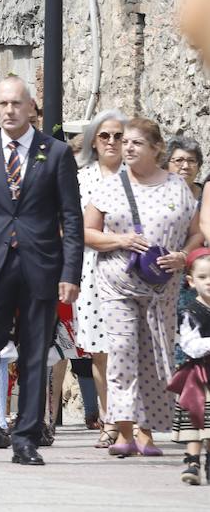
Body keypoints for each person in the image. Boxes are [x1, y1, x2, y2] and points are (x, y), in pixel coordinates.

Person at [0, 76, 83, 466]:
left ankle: (25, 437)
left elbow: (72, 218)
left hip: (40, 265)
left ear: (31, 108)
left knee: (32, 353)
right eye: (3, 104)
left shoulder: (56, 153)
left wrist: (70, 273)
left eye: (16, 104)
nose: (9, 111)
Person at [82, 117, 202, 457]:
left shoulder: (176, 186)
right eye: (125, 142)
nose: (127, 147)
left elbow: (196, 233)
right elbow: (88, 232)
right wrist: (120, 239)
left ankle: (146, 432)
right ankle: (122, 432)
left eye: (136, 142)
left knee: (153, 355)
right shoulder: (110, 186)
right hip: (118, 281)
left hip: (162, 287)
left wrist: (183, 255)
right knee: (121, 351)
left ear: (156, 148)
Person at [74, 108, 127, 448]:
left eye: (118, 136)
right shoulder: (82, 179)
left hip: (131, 270)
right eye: (104, 135)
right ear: (94, 140)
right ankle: (109, 419)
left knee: (131, 349)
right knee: (100, 352)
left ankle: (132, 422)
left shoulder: (136, 175)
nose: (111, 142)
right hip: (92, 268)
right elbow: (77, 229)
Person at [171, 248, 210, 485]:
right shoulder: (189, 311)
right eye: (203, 277)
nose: (209, 282)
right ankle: (192, 461)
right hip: (198, 373)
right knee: (196, 418)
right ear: (191, 281)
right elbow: (190, 345)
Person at [168, 137, 205, 201]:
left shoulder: (206, 194)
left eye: (191, 160)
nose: (186, 166)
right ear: (166, 165)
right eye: (179, 160)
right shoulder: (157, 195)